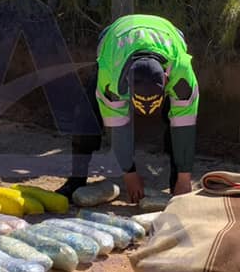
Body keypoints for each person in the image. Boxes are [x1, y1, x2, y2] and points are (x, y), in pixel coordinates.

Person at [55, 14, 198, 203]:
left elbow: (184, 127)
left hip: (170, 34)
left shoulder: (182, 72)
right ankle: (76, 180)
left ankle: (177, 183)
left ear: (165, 79)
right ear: (126, 85)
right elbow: (117, 127)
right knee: (86, 116)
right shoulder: (110, 76)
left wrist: (185, 177)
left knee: (177, 118)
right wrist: (129, 174)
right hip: (115, 39)